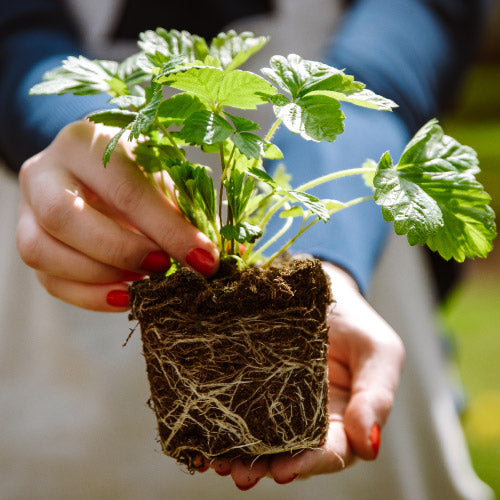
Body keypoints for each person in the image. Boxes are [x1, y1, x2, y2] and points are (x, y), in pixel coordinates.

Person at [0, 0, 493, 498]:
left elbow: (416, 19)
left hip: (355, 256)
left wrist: (328, 263)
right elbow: (14, 29)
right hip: (50, 304)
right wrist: (72, 131)